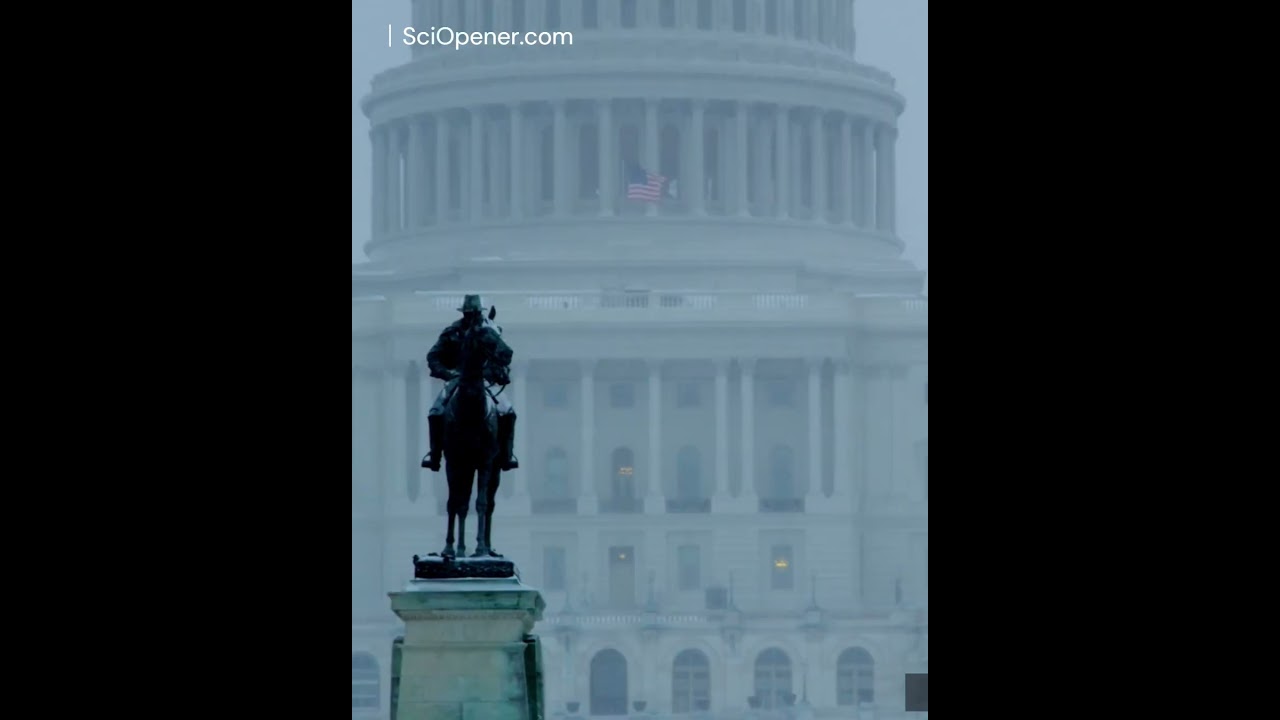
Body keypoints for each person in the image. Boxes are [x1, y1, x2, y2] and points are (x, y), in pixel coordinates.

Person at [421, 294, 519, 472]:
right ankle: (434, 455)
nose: (473, 317)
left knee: (508, 411)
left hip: (486, 380)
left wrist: (496, 372)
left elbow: (502, 356)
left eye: (475, 313)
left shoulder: (490, 331)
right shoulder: (452, 332)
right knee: (435, 411)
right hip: (456, 379)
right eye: (469, 314)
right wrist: (447, 373)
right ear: (464, 314)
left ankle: (507, 455)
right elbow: (433, 357)